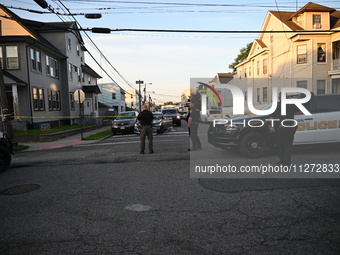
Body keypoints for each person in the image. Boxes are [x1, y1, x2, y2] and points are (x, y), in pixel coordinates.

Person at [269, 93, 299, 166]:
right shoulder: (292, 105)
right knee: (287, 147)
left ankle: (282, 161)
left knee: (280, 146)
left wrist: (273, 127)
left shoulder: (275, 106)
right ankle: (286, 164)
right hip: (289, 128)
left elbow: (271, 118)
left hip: (279, 128)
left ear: (279, 98)